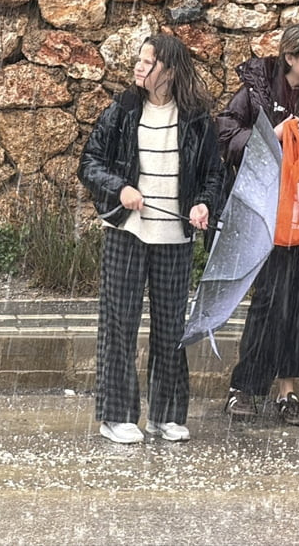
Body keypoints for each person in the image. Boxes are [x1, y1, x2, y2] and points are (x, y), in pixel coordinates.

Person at [78, 34, 224, 444]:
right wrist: (120, 187)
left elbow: (214, 174)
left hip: (174, 237)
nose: (140, 67)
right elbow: (90, 162)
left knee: (170, 328)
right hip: (126, 231)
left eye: (149, 62)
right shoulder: (123, 109)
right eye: (140, 60)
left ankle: (166, 414)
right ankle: (117, 416)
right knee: (119, 324)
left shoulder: (196, 118)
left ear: (170, 71)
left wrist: (202, 205)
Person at [217, 23, 299, 426]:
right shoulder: (257, 90)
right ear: (290, 58)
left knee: (296, 302)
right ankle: (245, 388)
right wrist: (268, 136)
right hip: (263, 211)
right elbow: (224, 133)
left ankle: (287, 393)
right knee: (268, 299)